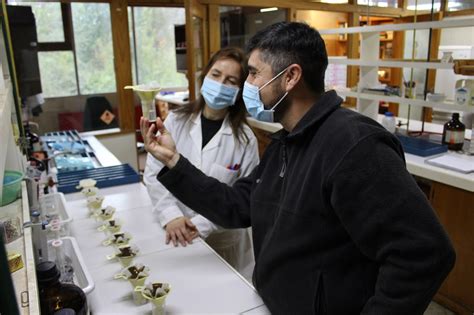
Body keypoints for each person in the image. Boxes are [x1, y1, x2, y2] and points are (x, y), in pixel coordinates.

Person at [140, 22, 455, 314]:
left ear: (290, 77)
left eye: (252, 74)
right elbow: (236, 206)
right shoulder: (284, 142)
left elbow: (424, 252)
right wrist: (173, 161)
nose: (245, 86)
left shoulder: (354, 144)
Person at [143, 47, 259, 281]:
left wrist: (197, 227)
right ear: (204, 76)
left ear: (239, 91)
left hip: (224, 244)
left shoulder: (246, 139)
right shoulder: (176, 120)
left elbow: (245, 199)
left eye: (230, 80)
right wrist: (171, 216)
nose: (220, 84)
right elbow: (153, 172)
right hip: (175, 235)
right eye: (215, 75)